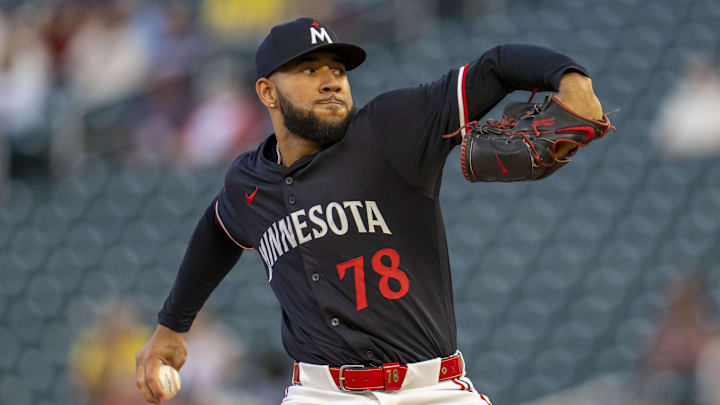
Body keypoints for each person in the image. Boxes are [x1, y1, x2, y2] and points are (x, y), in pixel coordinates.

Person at [136, 17, 605, 405]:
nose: (330, 81)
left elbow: (498, 67)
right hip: (321, 395)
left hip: (433, 389)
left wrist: (571, 78)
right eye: (308, 69)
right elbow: (217, 231)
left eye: (337, 70)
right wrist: (171, 327)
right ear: (266, 92)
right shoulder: (248, 182)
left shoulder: (391, 127)